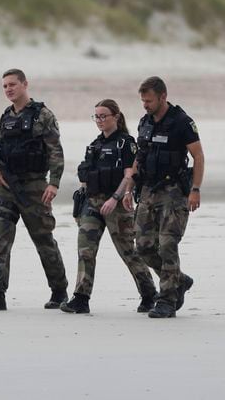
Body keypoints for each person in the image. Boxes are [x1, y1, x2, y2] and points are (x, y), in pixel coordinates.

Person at [0, 68, 68, 311]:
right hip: (6, 188)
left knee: (43, 239)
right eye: (5, 86)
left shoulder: (43, 115)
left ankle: (59, 291)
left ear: (25, 84)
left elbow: (56, 151)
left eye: (13, 84)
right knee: (0, 240)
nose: (9, 89)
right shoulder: (5, 117)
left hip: (35, 186)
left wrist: (54, 183)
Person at [112, 76, 204, 318]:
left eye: (149, 100)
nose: (145, 105)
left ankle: (167, 300)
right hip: (148, 190)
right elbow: (139, 157)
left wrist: (195, 189)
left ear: (163, 97)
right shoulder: (145, 122)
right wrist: (129, 187)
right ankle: (179, 280)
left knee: (167, 245)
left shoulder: (182, 122)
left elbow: (199, 156)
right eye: (143, 101)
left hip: (174, 192)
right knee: (143, 246)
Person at [60, 99, 158, 314]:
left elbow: (129, 175)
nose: (100, 120)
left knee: (128, 251)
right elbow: (85, 176)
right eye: (97, 116)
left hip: (117, 204)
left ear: (116, 117)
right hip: (92, 203)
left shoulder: (126, 143)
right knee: (86, 250)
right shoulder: (95, 145)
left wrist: (115, 198)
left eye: (104, 116)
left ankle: (149, 293)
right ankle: (81, 297)